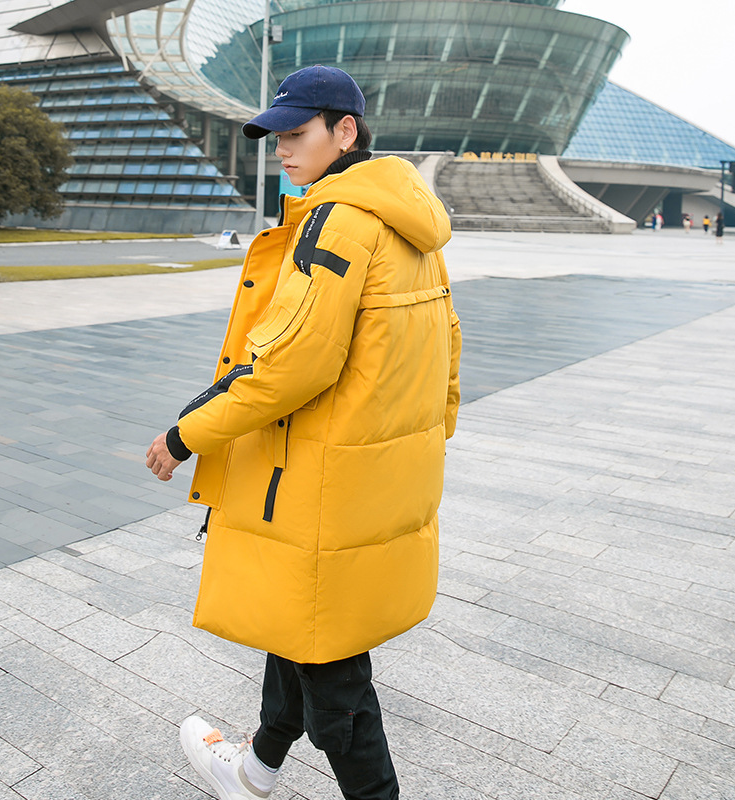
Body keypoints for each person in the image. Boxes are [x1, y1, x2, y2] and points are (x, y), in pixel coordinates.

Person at [146, 64, 461, 800]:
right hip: (372, 472)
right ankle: (253, 771)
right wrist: (425, 439)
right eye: (275, 135)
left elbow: (289, 364)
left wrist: (187, 434)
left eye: (296, 132)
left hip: (322, 480)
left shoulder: (339, 220)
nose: (282, 148)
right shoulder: (409, 223)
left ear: (345, 131)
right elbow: (447, 346)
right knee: (299, 623)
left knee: (335, 682)